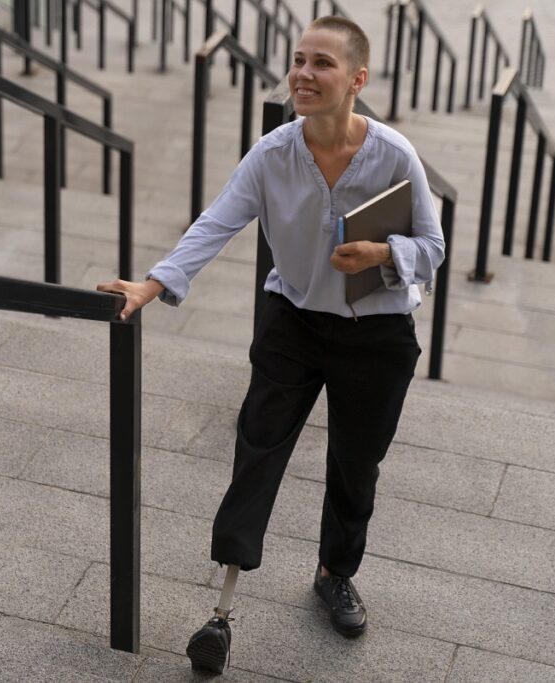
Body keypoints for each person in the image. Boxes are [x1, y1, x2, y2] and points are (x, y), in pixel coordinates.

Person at [96, 15, 445, 674]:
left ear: (357, 80)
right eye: (299, 60)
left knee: (354, 463)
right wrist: (153, 284)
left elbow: (433, 247)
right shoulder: (274, 152)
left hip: (377, 332)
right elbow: (216, 222)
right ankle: (223, 602)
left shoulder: (395, 154)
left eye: (323, 64)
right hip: (292, 319)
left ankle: (334, 571)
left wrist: (383, 252)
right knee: (258, 444)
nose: (305, 75)